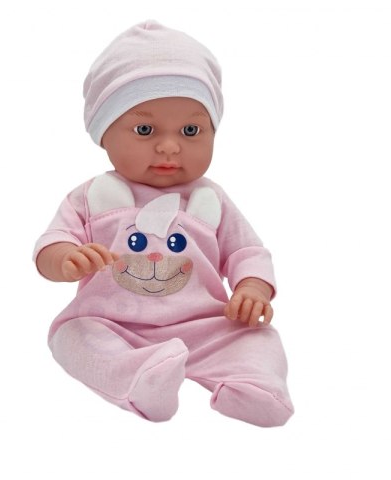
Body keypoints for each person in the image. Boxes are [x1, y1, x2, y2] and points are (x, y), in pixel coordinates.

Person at [33, 20, 294, 426]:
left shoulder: (211, 199)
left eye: (191, 130)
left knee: (257, 337)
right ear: (103, 135)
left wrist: (252, 288)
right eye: (145, 129)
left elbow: (247, 251)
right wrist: (66, 258)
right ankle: (142, 378)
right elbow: (52, 242)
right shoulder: (91, 196)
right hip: (112, 324)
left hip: (205, 325)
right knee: (73, 338)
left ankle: (255, 388)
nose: (170, 146)